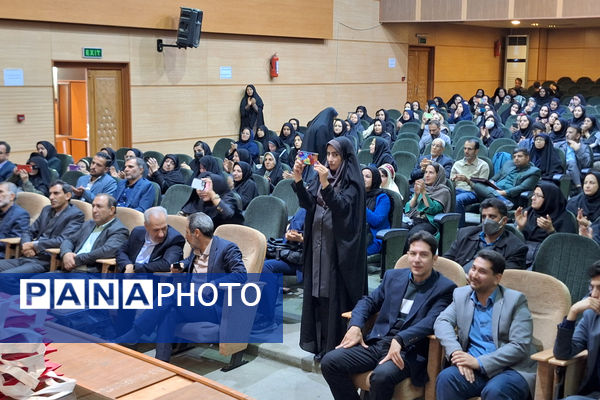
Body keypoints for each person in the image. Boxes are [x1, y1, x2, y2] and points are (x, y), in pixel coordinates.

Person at [320, 232, 456, 400]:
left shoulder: (445, 288)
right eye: (412, 253)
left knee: (381, 377)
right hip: (378, 341)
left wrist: (400, 339)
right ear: (407, 254)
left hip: (409, 350)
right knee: (330, 362)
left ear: (434, 258)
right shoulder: (393, 276)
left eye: (423, 254)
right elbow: (368, 302)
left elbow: (431, 322)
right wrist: (355, 326)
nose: (416, 259)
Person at [117, 212, 247, 361]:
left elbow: (241, 275)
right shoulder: (196, 247)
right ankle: (162, 361)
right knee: (169, 311)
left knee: (170, 294)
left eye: (187, 232)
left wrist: (214, 284)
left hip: (212, 306)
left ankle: (135, 333)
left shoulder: (227, 248)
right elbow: (189, 261)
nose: (185, 236)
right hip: (190, 301)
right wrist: (180, 265)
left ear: (196, 233)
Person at [293, 136, 367, 359]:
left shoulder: (353, 182)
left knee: (332, 296)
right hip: (317, 243)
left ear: (345, 157)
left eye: (336, 155)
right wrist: (297, 181)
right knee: (317, 294)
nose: (331, 159)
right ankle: (320, 344)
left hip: (338, 250)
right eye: (329, 154)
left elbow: (342, 208)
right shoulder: (320, 176)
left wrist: (325, 183)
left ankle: (334, 347)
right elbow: (309, 204)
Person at [434, 249, 537, 400]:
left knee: (495, 390)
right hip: (473, 367)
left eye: (482, 271)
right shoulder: (462, 295)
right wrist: (457, 354)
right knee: (446, 378)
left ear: (497, 278)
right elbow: (442, 322)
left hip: (509, 369)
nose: (474, 275)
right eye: (473, 268)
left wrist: (479, 362)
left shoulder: (515, 301)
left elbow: (519, 346)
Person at [0, 180, 84, 273]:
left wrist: (34, 245)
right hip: (28, 256)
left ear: (67, 196)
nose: (51, 197)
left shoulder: (76, 215)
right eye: (50, 193)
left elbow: (63, 240)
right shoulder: (46, 210)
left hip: (47, 260)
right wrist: (26, 245)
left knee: (5, 276)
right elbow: (28, 232)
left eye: (56, 193)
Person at [553, 261, 600, 400]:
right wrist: (572, 313)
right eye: (592, 288)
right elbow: (562, 353)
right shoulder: (591, 315)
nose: (593, 295)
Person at [444, 198, 527, 271]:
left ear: (504, 220)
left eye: (492, 217)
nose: (487, 221)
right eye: (484, 217)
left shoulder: (516, 248)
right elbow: (447, 261)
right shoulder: (464, 234)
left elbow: (506, 278)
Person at [59, 193, 129, 273]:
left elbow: (106, 251)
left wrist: (76, 259)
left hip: (89, 274)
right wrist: (66, 253)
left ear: (112, 210)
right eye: (93, 206)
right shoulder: (89, 224)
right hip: (70, 269)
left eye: (99, 206)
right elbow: (69, 240)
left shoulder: (119, 230)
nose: (94, 210)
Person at [515, 182, 577, 266]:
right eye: (533, 194)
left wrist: (551, 231)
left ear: (549, 198)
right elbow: (514, 241)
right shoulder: (527, 212)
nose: (533, 198)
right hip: (521, 255)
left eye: (538, 195)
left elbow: (566, 248)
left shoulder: (564, 218)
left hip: (548, 260)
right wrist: (519, 227)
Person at [116, 206, 185, 273]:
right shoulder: (137, 232)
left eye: (164, 228)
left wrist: (135, 268)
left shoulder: (175, 238)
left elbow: (167, 264)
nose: (161, 234)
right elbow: (121, 251)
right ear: (146, 226)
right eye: (156, 230)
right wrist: (127, 265)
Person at [472, 148, 541, 209]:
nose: (516, 158)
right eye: (514, 157)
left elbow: (522, 187)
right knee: (478, 184)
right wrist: (491, 182)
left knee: (481, 194)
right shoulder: (508, 164)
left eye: (519, 156)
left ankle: (498, 199)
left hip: (510, 197)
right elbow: (495, 178)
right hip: (495, 191)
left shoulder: (534, 171)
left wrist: (503, 192)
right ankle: (501, 200)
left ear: (527, 158)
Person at [404, 162, 451, 239]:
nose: (427, 175)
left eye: (431, 173)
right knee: (399, 231)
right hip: (414, 218)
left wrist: (423, 193)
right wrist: (416, 195)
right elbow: (408, 208)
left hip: (430, 222)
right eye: (426, 172)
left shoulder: (443, 191)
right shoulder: (423, 186)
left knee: (412, 235)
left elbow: (432, 209)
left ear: (438, 175)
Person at [451, 139, 491, 227]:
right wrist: (452, 181)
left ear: (476, 151)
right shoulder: (457, 164)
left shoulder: (483, 165)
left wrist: (467, 180)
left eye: (469, 149)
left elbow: (481, 188)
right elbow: (451, 184)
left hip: (472, 193)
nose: (466, 151)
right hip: (457, 190)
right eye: (465, 148)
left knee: (457, 200)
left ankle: (459, 230)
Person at [363, 166, 391, 256]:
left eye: (367, 176)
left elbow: (376, 221)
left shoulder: (383, 198)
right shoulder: (358, 194)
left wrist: (360, 204)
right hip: (357, 234)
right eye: (361, 176)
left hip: (374, 238)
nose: (363, 179)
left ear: (375, 179)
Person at [568, 171, 600, 244]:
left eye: (591, 183)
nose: (587, 186)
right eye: (585, 183)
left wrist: (589, 224)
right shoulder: (574, 202)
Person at [0, 182, 30, 259]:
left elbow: (14, 241)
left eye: (1, 192)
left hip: (4, 254)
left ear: (12, 196)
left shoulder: (21, 214)